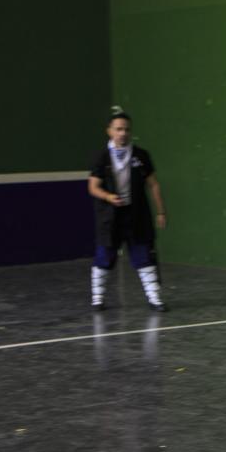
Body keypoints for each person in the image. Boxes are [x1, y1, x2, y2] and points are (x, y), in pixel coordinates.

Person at [87, 111, 167, 311]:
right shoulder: (101, 157)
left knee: (144, 256)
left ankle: (155, 299)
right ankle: (97, 298)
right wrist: (108, 197)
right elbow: (93, 187)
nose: (123, 133)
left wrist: (161, 212)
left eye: (127, 129)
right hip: (110, 216)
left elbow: (154, 184)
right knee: (104, 256)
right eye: (119, 129)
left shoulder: (141, 155)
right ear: (109, 131)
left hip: (136, 215)